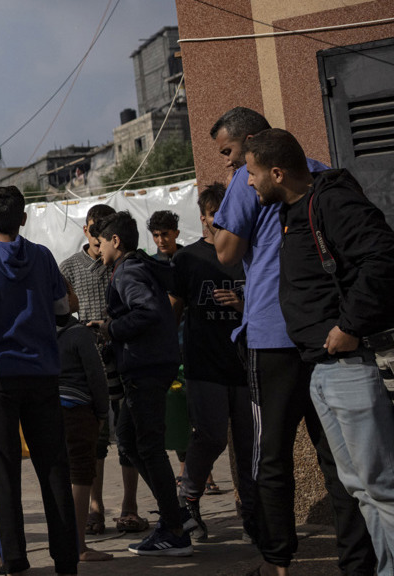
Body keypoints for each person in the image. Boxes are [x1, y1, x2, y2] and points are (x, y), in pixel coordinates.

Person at [210, 107, 375, 576]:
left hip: (271, 334)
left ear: (253, 145)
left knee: (271, 458)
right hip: (327, 334)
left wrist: (221, 220)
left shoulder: (250, 179)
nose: (230, 166)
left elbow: (225, 252)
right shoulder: (321, 173)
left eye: (229, 153)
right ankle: (357, 564)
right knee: (340, 460)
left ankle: (277, 564)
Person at [245, 128, 394, 572]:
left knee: (380, 486)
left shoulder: (331, 200)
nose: (248, 182)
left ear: (277, 172)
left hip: (350, 364)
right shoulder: (293, 210)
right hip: (322, 367)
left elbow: (384, 258)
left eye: (251, 173)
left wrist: (350, 325)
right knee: (360, 488)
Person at [0, 185, 80, 575]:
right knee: (53, 469)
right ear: (24, 218)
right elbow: (61, 307)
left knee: (3, 472)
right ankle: (66, 559)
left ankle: (13, 559)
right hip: (43, 373)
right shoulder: (43, 257)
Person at [90, 211, 191, 556]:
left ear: (115, 241)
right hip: (151, 364)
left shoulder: (129, 271)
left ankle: (175, 529)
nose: (98, 248)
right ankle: (173, 515)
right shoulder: (140, 267)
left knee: (147, 446)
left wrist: (110, 329)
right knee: (130, 442)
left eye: (101, 242)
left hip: (145, 367)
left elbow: (145, 312)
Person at [167, 183, 254, 543]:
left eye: (224, 215)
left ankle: (254, 519)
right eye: (211, 216)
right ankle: (188, 501)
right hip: (204, 366)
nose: (217, 222)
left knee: (251, 446)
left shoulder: (248, 252)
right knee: (212, 437)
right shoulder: (187, 259)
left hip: (247, 365)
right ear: (202, 217)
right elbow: (173, 311)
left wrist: (240, 305)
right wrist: (168, 358)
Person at [58, 203, 135, 536]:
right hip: (87, 364)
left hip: (124, 357)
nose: (96, 234)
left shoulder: (122, 263)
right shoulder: (70, 267)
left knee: (129, 435)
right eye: (92, 227)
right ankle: (94, 508)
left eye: (102, 227)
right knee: (95, 439)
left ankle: (130, 507)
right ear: (85, 229)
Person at [56, 300, 112, 562]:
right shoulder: (79, 333)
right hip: (77, 410)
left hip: (46, 411)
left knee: (58, 476)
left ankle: (61, 542)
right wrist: (102, 413)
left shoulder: (40, 332)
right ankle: (78, 547)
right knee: (80, 475)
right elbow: (96, 376)